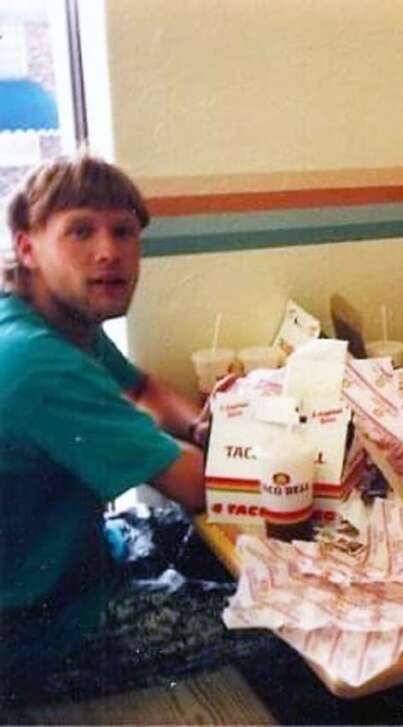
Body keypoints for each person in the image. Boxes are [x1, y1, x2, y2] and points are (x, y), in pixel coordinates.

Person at [0, 154, 273, 706]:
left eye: (123, 231)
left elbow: (143, 388)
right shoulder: (37, 361)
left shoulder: (49, 320)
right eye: (81, 230)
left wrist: (198, 425)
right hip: (37, 630)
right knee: (291, 624)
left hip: (80, 557)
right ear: (27, 247)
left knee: (208, 546)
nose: (109, 251)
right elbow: (196, 485)